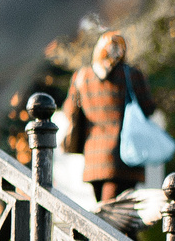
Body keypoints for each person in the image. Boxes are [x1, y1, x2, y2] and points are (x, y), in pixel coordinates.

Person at [61, 31, 157, 202]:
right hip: (126, 155)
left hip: (94, 158)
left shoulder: (82, 76)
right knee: (122, 214)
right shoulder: (132, 75)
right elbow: (149, 108)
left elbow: (69, 110)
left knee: (104, 211)